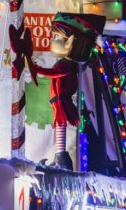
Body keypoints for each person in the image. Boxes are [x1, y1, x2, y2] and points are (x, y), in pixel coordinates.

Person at [33, 13, 106, 168]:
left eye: (57, 37)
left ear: (71, 42)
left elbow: (54, 73)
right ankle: (60, 155)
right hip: (58, 100)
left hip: (61, 100)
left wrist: (37, 69)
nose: (53, 41)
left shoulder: (66, 65)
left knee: (60, 125)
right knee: (59, 125)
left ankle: (62, 157)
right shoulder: (66, 63)